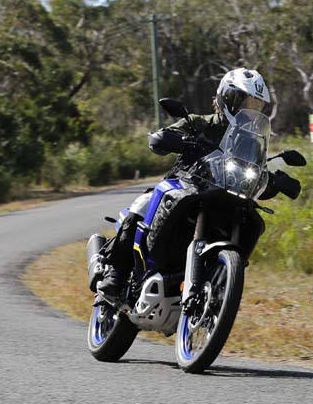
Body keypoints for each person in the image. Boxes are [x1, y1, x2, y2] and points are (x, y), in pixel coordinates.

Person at [95, 68, 274, 301]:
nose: (249, 110)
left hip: (226, 196)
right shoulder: (198, 123)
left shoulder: (251, 142)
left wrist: (275, 180)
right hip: (185, 186)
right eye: (245, 102)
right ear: (226, 97)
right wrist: (168, 138)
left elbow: (258, 167)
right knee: (141, 205)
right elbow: (162, 137)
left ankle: (221, 284)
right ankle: (116, 274)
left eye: (255, 105)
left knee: (250, 220)